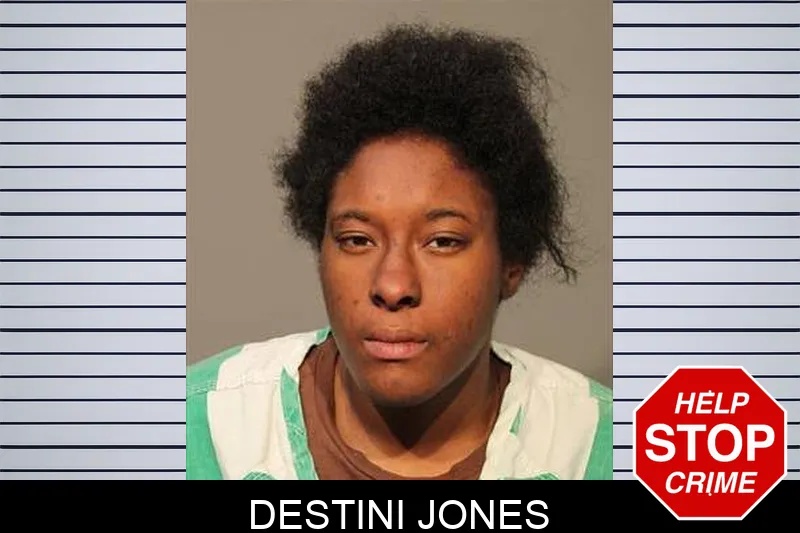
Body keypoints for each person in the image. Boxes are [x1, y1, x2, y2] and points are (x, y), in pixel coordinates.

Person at [186, 23, 612, 481]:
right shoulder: (202, 431)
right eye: (357, 240)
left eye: (443, 241)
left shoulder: (597, 448)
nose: (393, 286)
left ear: (512, 261)